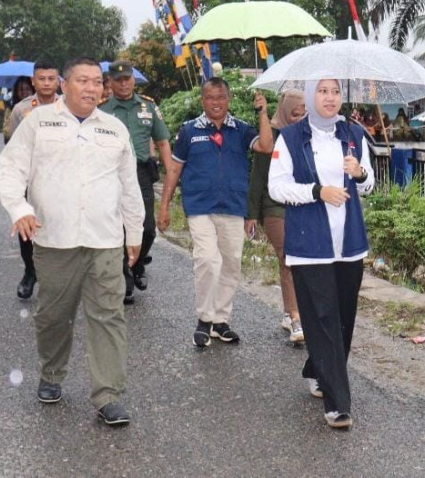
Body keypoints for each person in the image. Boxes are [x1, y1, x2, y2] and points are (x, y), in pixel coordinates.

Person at [0, 57, 144, 427]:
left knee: (109, 316)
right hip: (54, 239)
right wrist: (19, 209)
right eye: (83, 80)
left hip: (105, 239)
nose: (92, 88)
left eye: (97, 81)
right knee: (53, 317)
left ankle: (108, 394)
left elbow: (130, 185)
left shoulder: (114, 129)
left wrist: (135, 232)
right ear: (64, 84)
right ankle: (51, 373)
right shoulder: (37, 123)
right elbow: (11, 169)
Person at [267, 78, 375, 430]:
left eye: (335, 92)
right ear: (311, 95)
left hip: (349, 244)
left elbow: (371, 183)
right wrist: (318, 191)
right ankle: (338, 403)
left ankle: (318, 368)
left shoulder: (354, 135)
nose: (330, 98)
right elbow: (277, 187)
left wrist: (359, 174)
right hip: (310, 244)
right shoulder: (291, 137)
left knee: (343, 317)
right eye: (322, 91)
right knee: (323, 316)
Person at [156, 78, 273, 347]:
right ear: (203, 101)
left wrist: (263, 112)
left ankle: (221, 321)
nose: (216, 102)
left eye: (221, 97)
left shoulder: (241, 129)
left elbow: (266, 146)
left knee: (231, 263)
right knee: (208, 260)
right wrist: (164, 206)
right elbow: (174, 170)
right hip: (199, 206)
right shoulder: (188, 131)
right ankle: (204, 320)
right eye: (211, 97)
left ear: (228, 99)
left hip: (233, 206)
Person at [99, 60, 172, 305]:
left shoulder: (148, 107)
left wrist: (171, 175)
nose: (123, 83)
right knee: (117, 228)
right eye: (118, 79)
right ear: (109, 82)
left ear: (133, 79)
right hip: (109, 173)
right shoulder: (102, 109)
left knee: (148, 227)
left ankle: (138, 263)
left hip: (141, 173)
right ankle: (125, 280)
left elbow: (162, 142)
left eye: (127, 78)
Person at [245, 90, 305, 343]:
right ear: (284, 112)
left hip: (302, 207)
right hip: (275, 208)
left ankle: (288, 311)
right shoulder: (273, 137)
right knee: (288, 259)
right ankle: (295, 318)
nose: (299, 119)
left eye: (304, 114)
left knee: (299, 262)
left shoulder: (309, 137)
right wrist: (251, 216)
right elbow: (257, 177)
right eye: (294, 114)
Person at [4, 60, 60, 299]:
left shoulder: (68, 106)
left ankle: (57, 276)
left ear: (58, 81)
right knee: (27, 227)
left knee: (59, 225)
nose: (46, 83)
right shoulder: (21, 109)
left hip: (61, 177)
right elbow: (13, 146)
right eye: (42, 79)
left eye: (51, 78)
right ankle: (30, 271)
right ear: (33, 81)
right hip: (31, 178)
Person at [2, 76, 35, 144]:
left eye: (27, 89)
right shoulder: (11, 109)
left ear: (33, 90)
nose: (24, 92)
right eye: (21, 89)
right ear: (16, 92)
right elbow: (7, 132)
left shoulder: (39, 106)